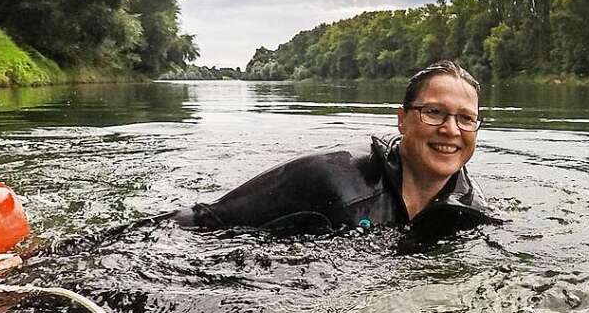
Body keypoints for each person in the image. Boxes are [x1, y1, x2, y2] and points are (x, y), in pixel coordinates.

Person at [168, 60, 499, 240]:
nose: (451, 130)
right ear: (402, 120)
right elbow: (203, 220)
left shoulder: (470, 210)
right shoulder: (328, 180)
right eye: (434, 112)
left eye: (466, 118)